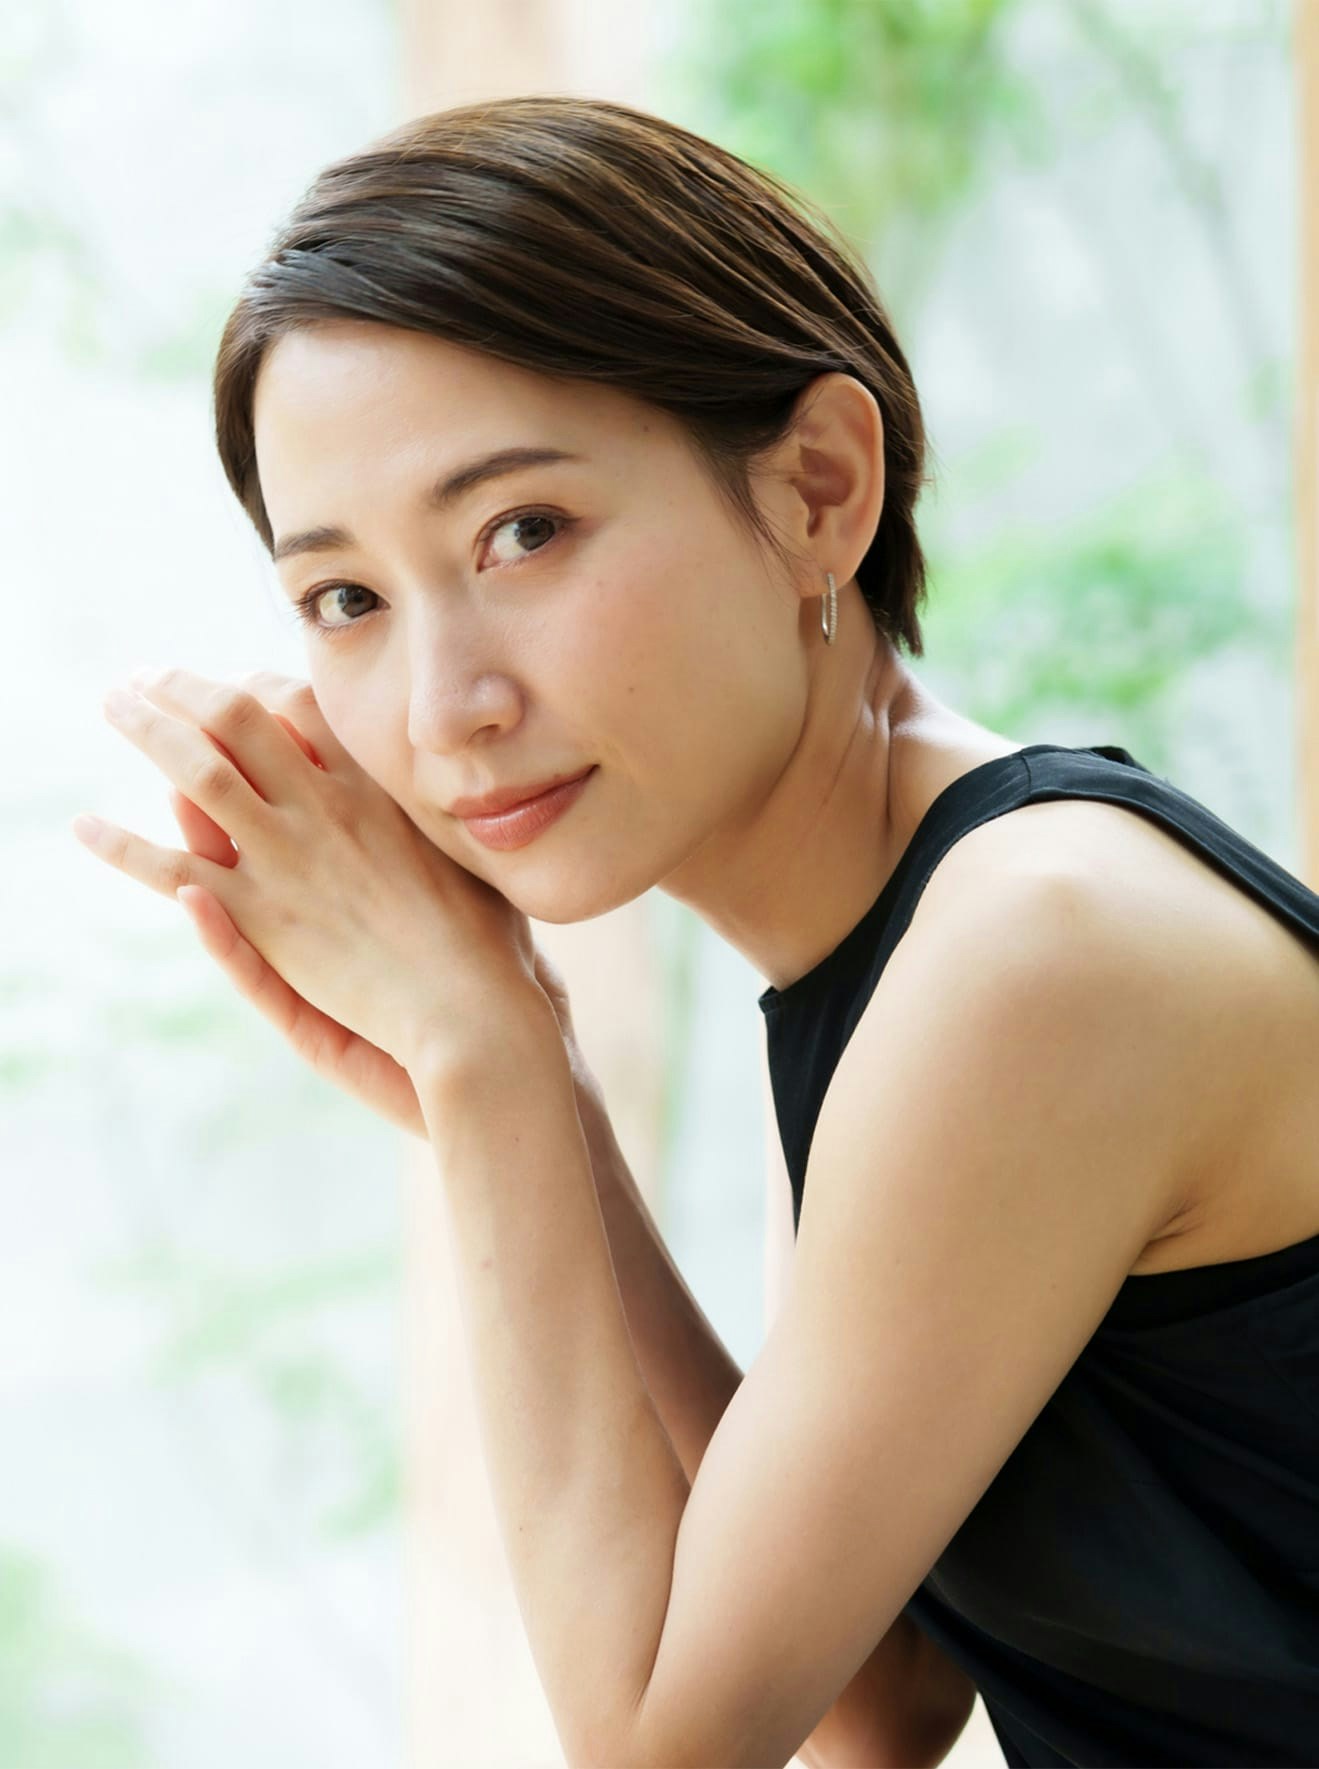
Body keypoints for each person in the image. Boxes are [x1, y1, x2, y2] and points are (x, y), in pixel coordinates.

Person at [76, 96, 1319, 1767]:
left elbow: (669, 1747)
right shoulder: (895, 939)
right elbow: (876, 1696)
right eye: (347, 600)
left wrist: (487, 1051)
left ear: (819, 488)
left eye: (524, 531)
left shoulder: (1036, 946)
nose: (449, 707)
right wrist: (541, 1102)